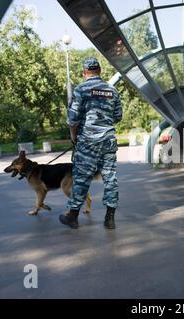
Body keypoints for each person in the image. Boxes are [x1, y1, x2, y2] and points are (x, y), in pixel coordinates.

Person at [59, 57, 122, 229]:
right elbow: (117, 116)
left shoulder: (81, 90)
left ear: (84, 72)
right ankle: (110, 219)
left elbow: (73, 119)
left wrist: (74, 136)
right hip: (108, 141)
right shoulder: (112, 90)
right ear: (100, 71)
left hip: (87, 141)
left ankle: (72, 216)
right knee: (110, 178)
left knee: (81, 177)